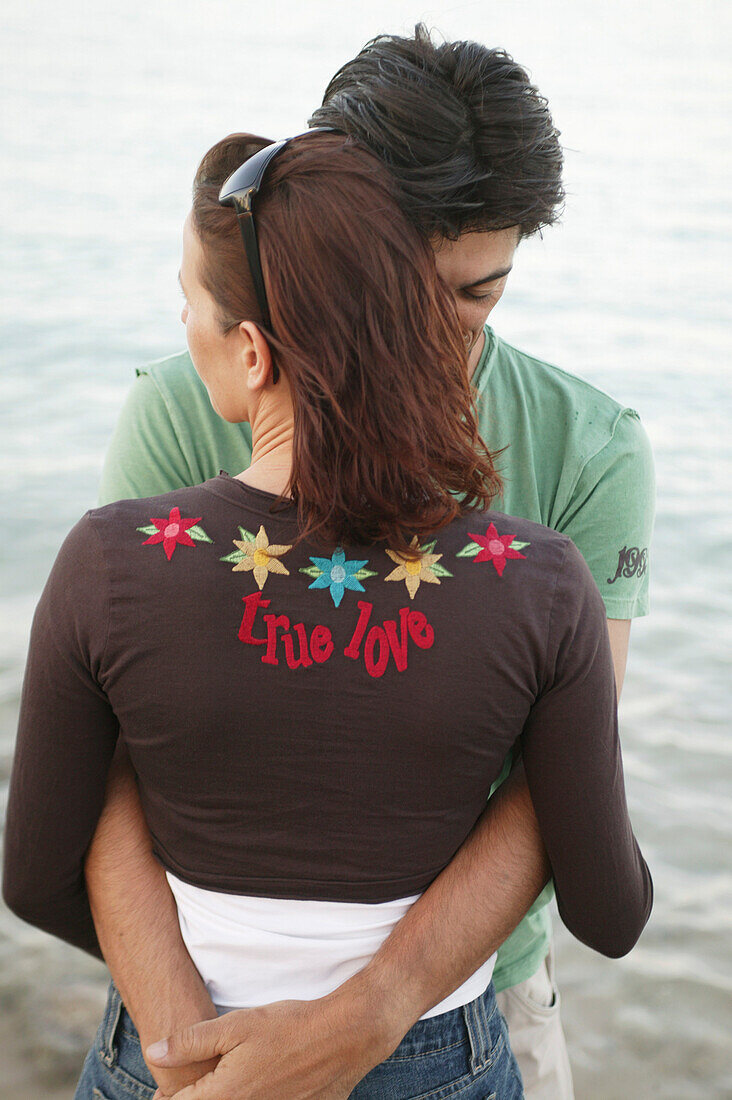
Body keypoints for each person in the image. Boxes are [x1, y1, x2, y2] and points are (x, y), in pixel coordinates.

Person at [11, 24, 655, 1100]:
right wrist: (190, 1041)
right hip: (198, 1012)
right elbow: (107, 760)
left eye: (476, 294)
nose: (434, 344)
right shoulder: (181, 406)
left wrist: (371, 1014)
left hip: (476, 997)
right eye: (402, 288)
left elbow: (559, 786)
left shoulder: (591, 446)